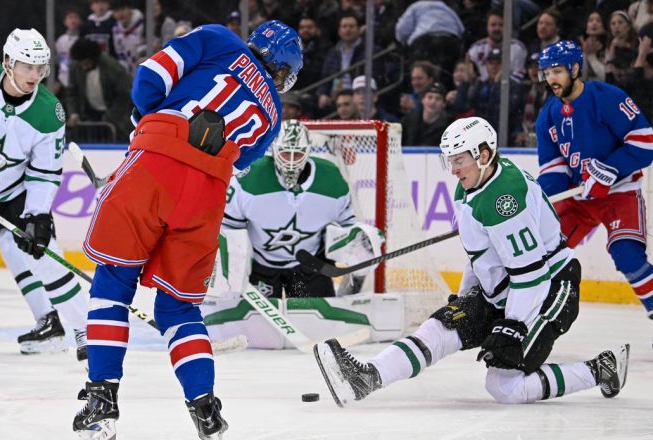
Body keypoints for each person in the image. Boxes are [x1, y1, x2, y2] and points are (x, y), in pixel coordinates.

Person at [72, 20, 302, 440]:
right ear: (285, 69)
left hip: (155, 161)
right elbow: (235, 162)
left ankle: (102, 402)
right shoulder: (273, 114)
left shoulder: (219, 38)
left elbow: (150, 76)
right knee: (179, 308)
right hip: (206, 196)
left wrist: (146, 123)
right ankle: (205, 407)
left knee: (112, 284)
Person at [312, 116, 631, 407]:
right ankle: (367, 377)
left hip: (550, 290)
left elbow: (532, 274)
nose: (452, 169)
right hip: (506, 289)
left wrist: (514, 324)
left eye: (459, 159)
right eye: (449, 160)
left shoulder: (505, 199)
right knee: (439, 328)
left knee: (504, 387)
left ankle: (601, 369)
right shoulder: (469, 188)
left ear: (483, 155)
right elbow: (479, 257)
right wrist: (466, 296)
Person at [0, 32, 89, 360]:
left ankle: (88, 332)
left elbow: (44, 172)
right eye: (27, 67)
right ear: (7, 63)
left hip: (15, 191)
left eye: (40, 68)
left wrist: (38, 215)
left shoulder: (49, 112)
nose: (34, 75)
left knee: (45, 256)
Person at [536, 40, 653, 319]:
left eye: (557, 71)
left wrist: (609, 169)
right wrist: (541, 199)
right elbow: (553, 168)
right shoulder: (548, 117)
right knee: (541, 255)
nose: (551, 79)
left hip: (619, 192)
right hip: (579, 199)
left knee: (627, 256)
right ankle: (528, 320)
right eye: (547, 73)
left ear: (575, 69)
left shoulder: (606, 97)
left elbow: (645, 141)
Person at [221, 119, 382, 299]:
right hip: (260, 266)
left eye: (297, 154)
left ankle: (349, 297)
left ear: (308, 151)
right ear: (274, 150)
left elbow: (350, 226)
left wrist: (363, 241)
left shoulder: (331, 180)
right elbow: (227, 228)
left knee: (320, 316)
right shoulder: (249, 178)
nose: (291, 162)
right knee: (252, 318)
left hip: (309, 266)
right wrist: (233, 272)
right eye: (285, 153)